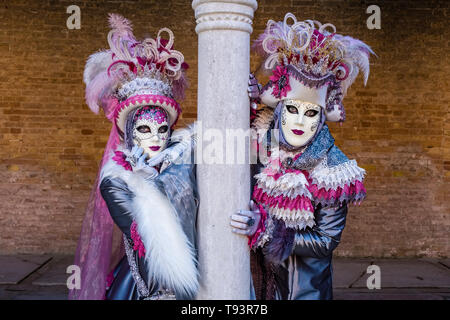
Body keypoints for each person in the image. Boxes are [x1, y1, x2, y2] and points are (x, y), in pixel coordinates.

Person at [230, 13, 374, 300]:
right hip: (264, 285)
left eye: (310, 113)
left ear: (321, 118)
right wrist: (247, 102)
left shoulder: (334, 169)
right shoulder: (270, 148)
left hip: (303, 292)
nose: (299, 122)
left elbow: (325, 242)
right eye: (292, 110)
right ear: (281, 112)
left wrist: (267, 230)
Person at [69, 14, 199, 300]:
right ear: (129, 131)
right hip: (148, 287)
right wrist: (152, 182)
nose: (155, 137)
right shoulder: (116, 180)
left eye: (162, 129)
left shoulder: (184, 160)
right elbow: (147, 235)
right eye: (144, 129)